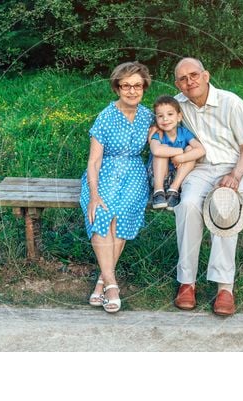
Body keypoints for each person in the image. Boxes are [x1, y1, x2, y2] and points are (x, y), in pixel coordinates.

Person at [171, 57, 243, 316]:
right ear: (178, 84)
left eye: (194, 75)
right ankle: (187, 283)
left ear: (206, 75)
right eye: (183, 79)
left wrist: (235, 175)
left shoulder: (231, 102)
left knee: (224, 206)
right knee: (187, 205)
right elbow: (161, 122)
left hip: (234, 167)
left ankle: (224, 288)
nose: (190, 82)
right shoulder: (180, 105)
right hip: (199, 169)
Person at [79, 61, 154, 313]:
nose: (132, 91)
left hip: (134, 173)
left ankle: (102, 280)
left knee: (122, 212)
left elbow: (169, 139)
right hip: (106, 171)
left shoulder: (148, 116)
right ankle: (111, 283)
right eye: (125, 86)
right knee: (101, 211)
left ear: (144, 87)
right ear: (117, 88)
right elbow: (94, 160)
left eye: (137, 85)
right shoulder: (106, 116)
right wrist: (93, 194)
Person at [147, 96, 205, 211]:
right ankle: (158, 192)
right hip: (158, 175)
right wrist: (179, 151)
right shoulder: (158, 135)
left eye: (170, 114)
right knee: (163, 148)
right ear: (156, 119)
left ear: (179, 117)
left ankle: (174, 190)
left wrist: (182, 157)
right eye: (160, 116)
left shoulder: (184, 132)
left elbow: (201, 150)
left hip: (178, 177)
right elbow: (156, 150)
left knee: (190, 149)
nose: (165, 119)